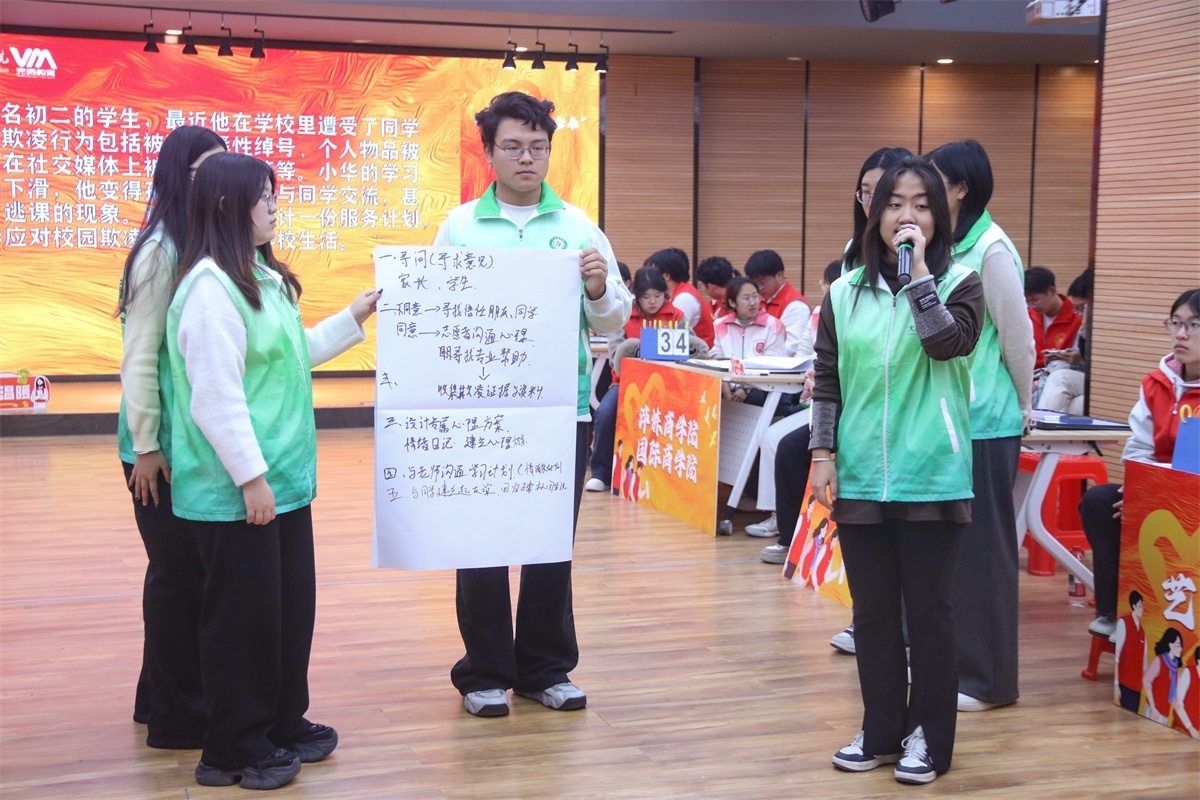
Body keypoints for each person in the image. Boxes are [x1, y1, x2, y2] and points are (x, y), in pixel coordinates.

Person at [167, 152, 380, 789]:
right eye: (266, 197)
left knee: (285, 613)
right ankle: (233, 749)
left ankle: (281, 722)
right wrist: (250, 477)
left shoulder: (259, 274)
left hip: (283, 483)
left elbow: (291, 354)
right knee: (242, 624)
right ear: (228, 205)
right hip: (239, 490)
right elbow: (216, 396)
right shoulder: (210, 289)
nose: (275, 207)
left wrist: (354, 317)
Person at [432, 91, 631, 718]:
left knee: (550, 545)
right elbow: (436, 313)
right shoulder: (460, 227)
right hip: (480, 414)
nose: (526, 158)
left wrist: (596, 287)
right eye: (513, 146)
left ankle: (545, 668)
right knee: (481, 545)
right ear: (489, 152)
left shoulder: (579, 226)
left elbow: (615, 319)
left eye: (538, 147)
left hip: (560, 413)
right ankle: (485, 671)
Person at [811, 156, 983, 785]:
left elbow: (945, 342)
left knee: (930, 616)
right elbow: (826, 380)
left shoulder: (961, 283)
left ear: (940, 217)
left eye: (921, 204)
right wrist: (822, 454)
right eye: (894, 203)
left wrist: (919, 282)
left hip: (932, 473)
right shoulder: (843, 291)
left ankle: (930, 739)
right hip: (859, 474)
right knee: (875, 615)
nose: (906, 215)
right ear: (873, 211)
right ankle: (882, 729)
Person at [117, 124, 226, 748]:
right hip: (155, 449)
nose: (215, 181)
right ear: (178, 178)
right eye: (202, 170)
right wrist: (147, 446)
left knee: (181, 576)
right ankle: (177, 718)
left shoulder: (198, 242)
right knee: (178, 577)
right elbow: (138, 358)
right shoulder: (161, 251)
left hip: (184, 444)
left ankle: (156, 698)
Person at [926, 138, 1035, 713]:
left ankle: (991, 681)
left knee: (986, 552)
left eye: (933, 180)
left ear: (962, 188)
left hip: (988, 421)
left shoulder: (991, 249)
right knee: (953, 553)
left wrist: (1024, 403)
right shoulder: (946, 245)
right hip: (949, 421)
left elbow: (1018, 339)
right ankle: (959, 666)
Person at [770, 146, 914, 572]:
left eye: (884, 192)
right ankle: (792, 541)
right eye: (865, 192)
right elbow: (839, 343)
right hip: (855, 403)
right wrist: (824, 376)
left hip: (903, 413)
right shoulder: (855, 255)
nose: (873, 202)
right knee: (793, 449)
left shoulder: (932, 264)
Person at [1080, 290, 1200, 639]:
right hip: (1159, 492)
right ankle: (1114, 612)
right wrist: (1140, 493)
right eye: (1175, 323)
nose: (1181, 334)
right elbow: (1139, 448)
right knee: (1100, 502)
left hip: (1194, 498)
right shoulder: (1156, 384)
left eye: (1194, 325)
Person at [585, 266, 685, 492]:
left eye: (658, 296)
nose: (653, 302)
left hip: (668, 386)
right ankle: (601, 472)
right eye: (646, 297)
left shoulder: (677, 316)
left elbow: (691, 348)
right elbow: (614, 357)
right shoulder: (623, 315)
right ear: (636, 297)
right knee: (605, 413)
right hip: (626, 383)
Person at [1037, 267, 1093, 414]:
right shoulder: (1084, 324)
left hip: (1101, 382)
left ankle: (1040, 424)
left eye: (1082, 308)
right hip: (1085, 380)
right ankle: (1042, 423)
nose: (1079, 313)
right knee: (1074, 406)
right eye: (1076, 308)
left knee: (1059, 378)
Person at [743, 249, 811, 356]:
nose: (759, 287)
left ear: (779, 275)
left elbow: (791, 348)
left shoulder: (796, 306)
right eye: (755, 283)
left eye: (763, 281)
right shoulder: (759, 299)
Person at [646, 247, 715, 347]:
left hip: (699, 353)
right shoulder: (677, 294)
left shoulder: (684, 298)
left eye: (654, 273)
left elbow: (671, 334)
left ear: (666, 275)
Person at [710, 277, 788, 362]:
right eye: (746, 298)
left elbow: (774, 360)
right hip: (728, 370)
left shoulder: (773, 325)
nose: (752, 302)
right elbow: (717, 356)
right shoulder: (720, 325)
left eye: (755, 296)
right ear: (732, 302)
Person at [1025, 265, 1082, 371]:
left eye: (1035, 300)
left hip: (1059, 374)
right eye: (1027, 301)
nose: (1032, 306)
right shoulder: (1027, 317)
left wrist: (1078, 358)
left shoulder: (1078, 318)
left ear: (1051, 291)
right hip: (1028, 376)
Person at [1112, 592, 1148, 712]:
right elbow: (1117, 656)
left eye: (1142, 606)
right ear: (1133, 606)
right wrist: (1116, 684)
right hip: (1125, 683)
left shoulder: (1143, 633)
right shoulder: (1124, 623)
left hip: (1137, 686)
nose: (1141, 609)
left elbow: (1144, 663)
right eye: (1139, 605)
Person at [1144, 628, 1185, 726]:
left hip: (1164, 715)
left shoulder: (1175, 670)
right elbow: (1146, 681)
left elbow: (1175, 697)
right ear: (1170, 645)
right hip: (1152, 712)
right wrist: (1153, 708)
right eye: (1178, 645)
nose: (1181, 649)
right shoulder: (1159, 661)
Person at [1173, 646, 1200, 739]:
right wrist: (1190, 727)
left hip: (1194, 734)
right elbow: (1177, 702)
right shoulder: (1188, 672)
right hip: (1180, 729)